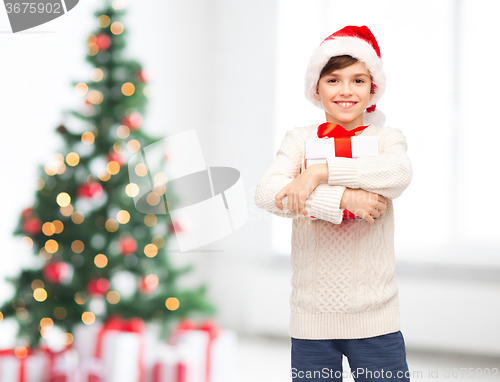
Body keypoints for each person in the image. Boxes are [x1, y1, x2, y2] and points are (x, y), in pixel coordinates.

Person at [254, 25, 413, 381]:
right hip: (312, 319)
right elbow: (268, 193)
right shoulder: (299, 139)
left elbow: (398, 174)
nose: (345, 91)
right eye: (333, 80)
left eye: (358, 80)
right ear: (316, 87)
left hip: (375, 317)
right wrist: (343, 198)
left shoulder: (387, 138)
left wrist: (318, 173)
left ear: (373, 88)